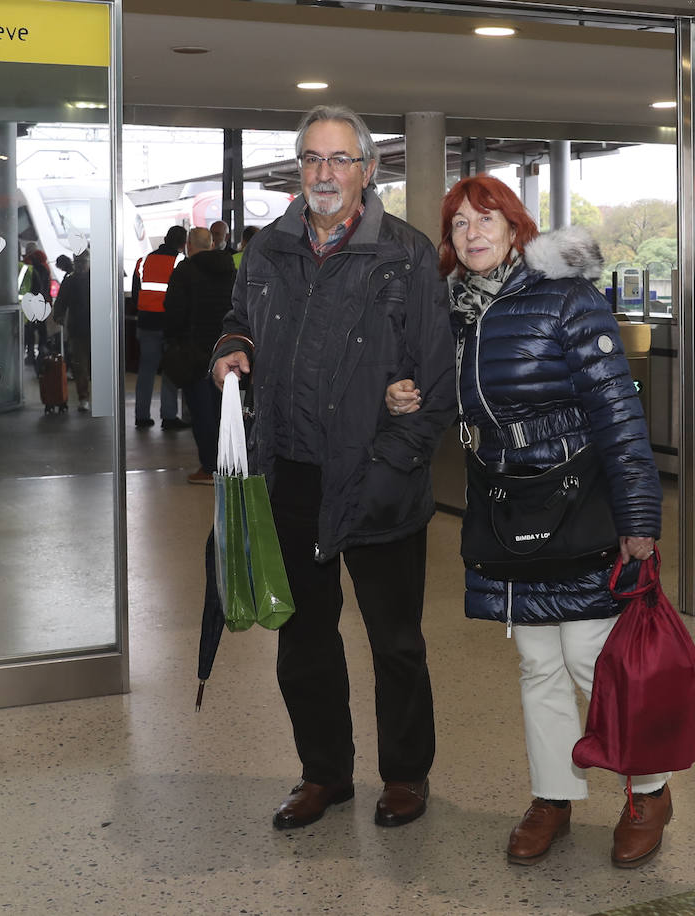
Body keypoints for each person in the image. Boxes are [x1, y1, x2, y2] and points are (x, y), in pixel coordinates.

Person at [386, 176, 669, 869]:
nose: (471, 234)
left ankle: (649, 791)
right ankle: (553, 797)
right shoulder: (454, 313)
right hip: (506, 510)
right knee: (538, 662)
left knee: (591, 657)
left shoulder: (568, 300)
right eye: (458, 225)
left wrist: (639, 516)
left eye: (486, 220)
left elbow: (619, 414)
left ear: (517, 229)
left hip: (577, 505)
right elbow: (445, 402)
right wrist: (398, 396)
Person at [210, 105, 454, 833]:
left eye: (340, 159)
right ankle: (324, 774)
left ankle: (406, 775)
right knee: (305, 638)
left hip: (378, 476)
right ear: (299, 169)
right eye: (313, 159)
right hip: (293, 478)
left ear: (368, 170)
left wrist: (392, 466)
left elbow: (434, 383)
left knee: (396, 641)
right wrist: (230, 344)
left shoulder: (406, 255)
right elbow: (239, 316)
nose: (325, 173)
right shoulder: (267, 250)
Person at [163, 227, 235, 484]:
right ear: (213, 244)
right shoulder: (230, 270)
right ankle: (227, 464)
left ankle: (209, 466)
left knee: (201, 413)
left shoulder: (184, 272)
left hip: (194, 352)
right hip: (225, 351)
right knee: (222, 412)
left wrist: (173, 340)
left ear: (189, 247)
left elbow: (173, 312)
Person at [132, 226, 189, 430]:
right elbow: (183, 297)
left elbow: (136, 292)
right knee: (170, 370)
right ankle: (169, 416)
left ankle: (141, 415)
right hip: (170, 325)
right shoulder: (181, 262)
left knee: (146, 370)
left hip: (146, 323)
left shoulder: (144, 261)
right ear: (183, 243)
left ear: (164, 239)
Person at [54, 251, 92, 412]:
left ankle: (85, 397)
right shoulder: (73, 282)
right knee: (81, 365)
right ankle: (83, 397)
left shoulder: (71, 281)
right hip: (80, 328)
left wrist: (60, 315)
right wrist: (59, 315)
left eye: (83, 262)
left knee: (82, 365)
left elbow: (60, 302)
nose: (81, 265)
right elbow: (61, 302)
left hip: (82, 327)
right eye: (79, 262)